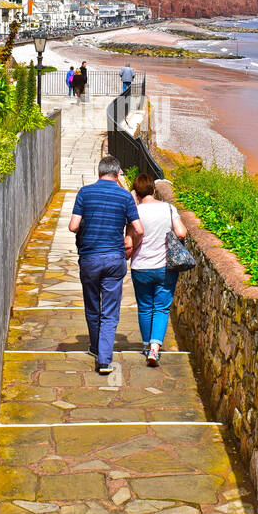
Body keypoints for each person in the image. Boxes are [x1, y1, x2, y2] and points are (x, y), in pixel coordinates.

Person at [69, 155, 143, 375]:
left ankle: (94, 346)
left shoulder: (84, 193)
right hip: (114, 259)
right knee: (110, 311)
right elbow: (138, 229)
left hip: (90, 258)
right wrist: (130, 244)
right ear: (117, 173)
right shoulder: (125, 196)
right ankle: (104, 360)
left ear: (99, 172)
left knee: (92, 306)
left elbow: (73, 226)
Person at [128, 173, 188, 367]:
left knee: (145, 307)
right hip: (164, 267)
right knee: (161, 308)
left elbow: (129, 241)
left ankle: (146, 346)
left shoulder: (135, 212)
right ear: (154, 190)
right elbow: (181, 232)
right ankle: (155, 348)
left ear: (136, 193)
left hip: (141, 267)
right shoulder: (168, 208)